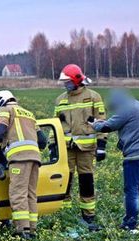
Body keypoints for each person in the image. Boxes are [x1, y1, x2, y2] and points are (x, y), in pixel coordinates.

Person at [91, 89, 139, 234]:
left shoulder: (126, 109)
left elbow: (106, 127)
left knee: (132, 191)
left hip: (135, 156)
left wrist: (94, 124)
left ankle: (131, 225)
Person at [0, 90, 47, 240]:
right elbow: (43, 141)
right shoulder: (28, 113)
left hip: (19, 158)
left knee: (17, 194)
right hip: (34, 158)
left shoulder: (6, 110)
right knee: (30, 194)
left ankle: (22, 230)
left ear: (0, 101)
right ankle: (32, 229)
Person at [54, 64, 107, 231]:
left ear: (77, 80)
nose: (66, 85)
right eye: (65, 82)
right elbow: (56, 124)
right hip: (66, 148)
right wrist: (52, 144)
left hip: (86, 149)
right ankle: (65, 213)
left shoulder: (93, 97)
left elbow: (101, 121)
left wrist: (102, 145)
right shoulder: (60, 99)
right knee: (65, 180)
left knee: (86, 180)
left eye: (68, 81)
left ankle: (88, 215)